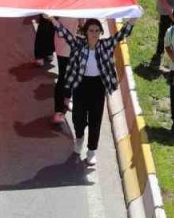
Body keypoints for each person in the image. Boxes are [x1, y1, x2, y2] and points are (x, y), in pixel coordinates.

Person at [56, 18, 135, 167]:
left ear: (101, 32)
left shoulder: (105, 45)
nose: (94, 34)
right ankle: (79, 138)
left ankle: (91, 151)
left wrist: (134, 18)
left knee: (95, 120)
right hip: (80, 85)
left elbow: (122, 33)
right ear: (85, 32)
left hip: (98, 87)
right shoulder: (78, 44)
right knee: (78, 117)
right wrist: (52, 19)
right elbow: (64, 33)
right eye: (91, 31)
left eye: (97, 31)